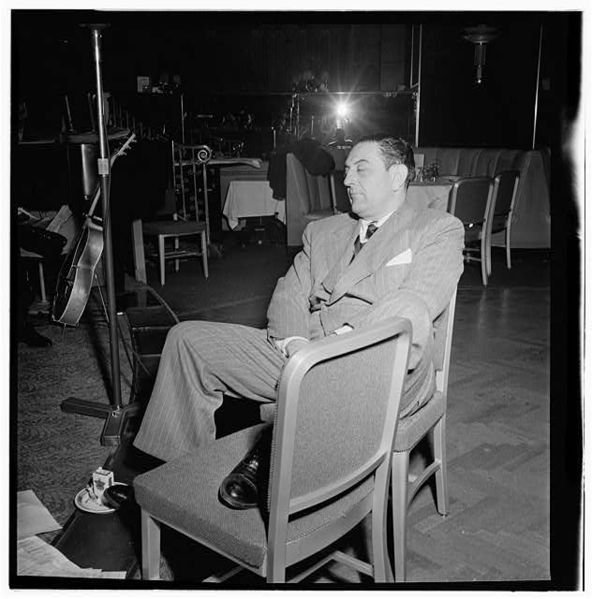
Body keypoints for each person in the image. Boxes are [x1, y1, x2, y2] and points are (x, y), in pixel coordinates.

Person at [133, 134, 465, 508]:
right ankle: (176, 485)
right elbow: (289, 295)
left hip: (385, 369)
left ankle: (270, 450)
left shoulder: (437, 228)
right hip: (305, 355)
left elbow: (419, 300)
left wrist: (334, 346)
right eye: (347, 170)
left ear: (397, 176)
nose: (347, 180)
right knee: (187, 339)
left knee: (408, 308)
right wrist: (296, 345)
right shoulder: (322, 231)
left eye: (361, 170)